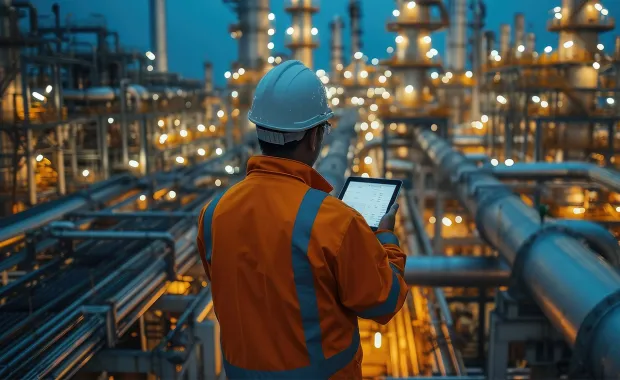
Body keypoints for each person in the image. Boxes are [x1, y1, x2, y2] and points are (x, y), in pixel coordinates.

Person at [196, 60, 408, 379]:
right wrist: (386, 241)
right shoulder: (334, 220)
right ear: (313, 138)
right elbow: (384, 301)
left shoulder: (214, 212)